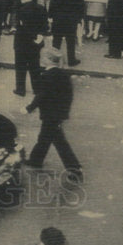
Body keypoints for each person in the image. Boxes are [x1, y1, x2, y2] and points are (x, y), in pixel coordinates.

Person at [25, 50, 82, 181]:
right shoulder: (63, 74)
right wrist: (64, 112)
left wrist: (29, 108)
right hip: (58, 113)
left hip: (50, 114)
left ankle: (75, 169)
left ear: (49, 60)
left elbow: (41, 95)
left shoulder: (46, 75)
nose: (41, 59)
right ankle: (35, 160)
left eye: (43, 57)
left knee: (59, 142)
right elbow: (69, 95)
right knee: (45, 137)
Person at [12, 0, 48, 97]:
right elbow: (45, 26)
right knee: (35, 67)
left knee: (20, 67)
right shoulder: (41, 8)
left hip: (22, 43)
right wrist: (39, 36)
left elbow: (24, 28)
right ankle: (37, 89)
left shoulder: (21, 10)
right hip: (35, 43)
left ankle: (20, 89)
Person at [48, 0, 85, 67]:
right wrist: (79, 18)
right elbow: (81, 5)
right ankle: (71, 60)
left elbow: (52, 4)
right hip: (71, 20)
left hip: (58, 19)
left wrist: (50, 16)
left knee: (57, 40)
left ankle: (55, 60)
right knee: (71, 41)